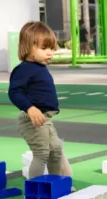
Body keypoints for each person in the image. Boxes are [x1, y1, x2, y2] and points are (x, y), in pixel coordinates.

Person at [9, 21, 65, 178]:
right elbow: (14, 92)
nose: (50, 53)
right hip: (32, 119)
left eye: (52, 49)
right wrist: (30, 108)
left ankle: (56, 183)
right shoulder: (23, 69)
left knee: (56, 150)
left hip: (45, 118)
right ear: (27, 46)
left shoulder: (40, 67)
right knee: (42, 153)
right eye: (44, 48)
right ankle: (35, 191)